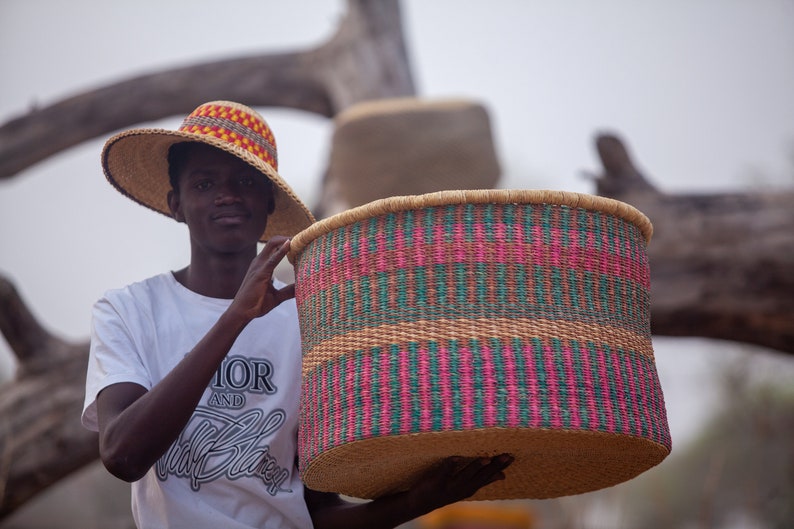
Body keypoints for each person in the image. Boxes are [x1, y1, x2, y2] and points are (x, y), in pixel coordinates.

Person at [82, 100, 513, 529]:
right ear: (175, 204)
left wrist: (414, 502)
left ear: (269, 201)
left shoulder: (313, 322)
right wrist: (235, 318)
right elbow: (123, 455)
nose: (227, 195)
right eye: (204, 183)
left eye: (246, 181)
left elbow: (317, 511)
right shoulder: (128, 311)